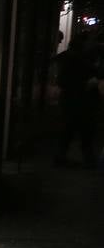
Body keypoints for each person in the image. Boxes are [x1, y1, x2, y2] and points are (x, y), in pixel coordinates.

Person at [54, 34, 100, 166]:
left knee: (68, 130)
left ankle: (61, 157)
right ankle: (88, 158)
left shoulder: (67, 58)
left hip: (70, 100)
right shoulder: (80, 61)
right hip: (80, 100)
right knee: (85, 131)